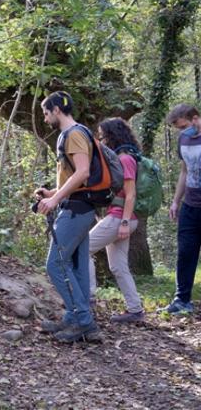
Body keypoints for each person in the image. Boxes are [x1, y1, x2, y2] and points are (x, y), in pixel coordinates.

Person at [34, 91, 99, 343]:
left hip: (76, 210)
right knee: (77, 266)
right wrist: (53, 193)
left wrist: (54, 200)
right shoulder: (72, 134)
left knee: (56, 264)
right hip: (78, 206)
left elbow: (83, 173)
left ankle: (82, 320)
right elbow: (75, 178)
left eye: (46, 112)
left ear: (57, 110)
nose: (45, 118)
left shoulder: (74, 135)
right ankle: (77, 319)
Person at [87, 117, 144, 323]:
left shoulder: (125, 159)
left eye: (103, 136)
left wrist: (125, 222)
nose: (101, 140)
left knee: (82, 248)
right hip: (120, 217)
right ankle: (135, 310)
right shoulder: (123, 157)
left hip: (120, 218)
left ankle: (87, 298)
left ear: (113, 136)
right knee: (119, 267)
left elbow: (130, 194)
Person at [162, 103, 201, 315]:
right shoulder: (183, 140)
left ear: (195, 118)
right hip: (190, 205)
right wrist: (176, 201)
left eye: (183, 126)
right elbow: (184, 171)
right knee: (185, 252)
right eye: (178, 128)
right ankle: (182, 300)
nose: (181, 131)